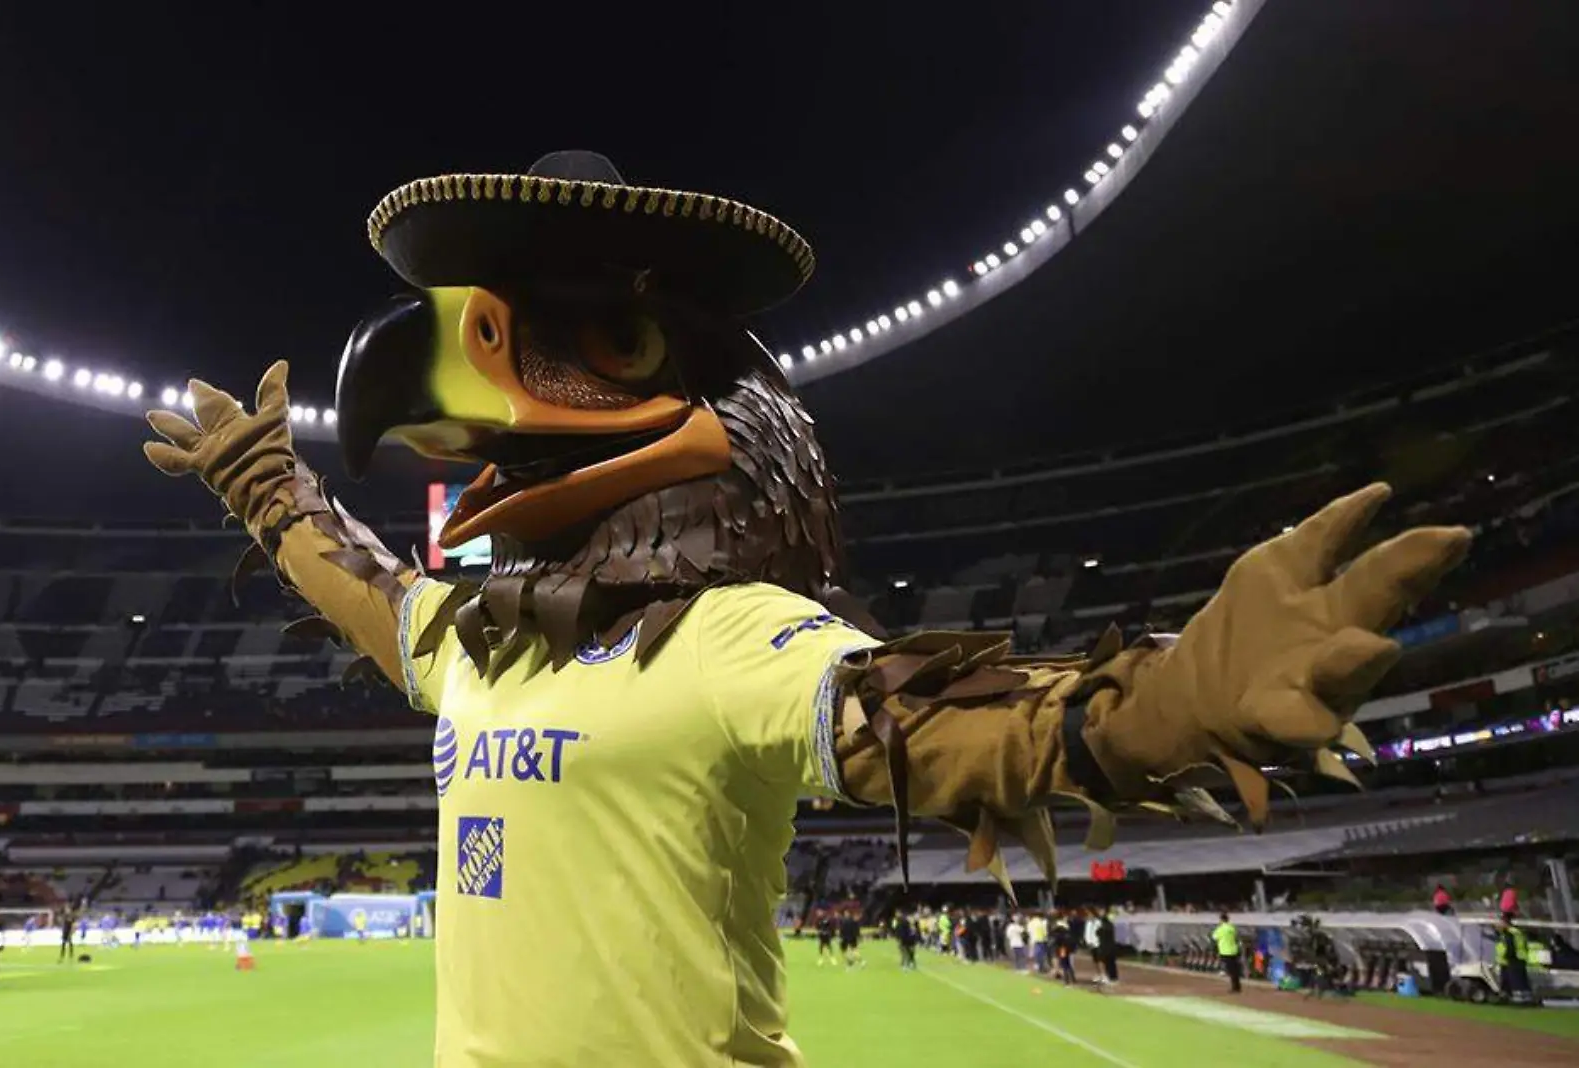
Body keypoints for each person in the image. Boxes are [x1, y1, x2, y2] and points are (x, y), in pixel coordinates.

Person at [141, 146, 1469, 1064]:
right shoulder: (476, 640)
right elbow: (371, 593)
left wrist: (1145, 712)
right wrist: (269, 488)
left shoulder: (734, 634)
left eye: (610, 346)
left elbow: (918, 722)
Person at [1495, 917, 1533, 1004]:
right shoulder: (1514, 932)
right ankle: (1518, 998)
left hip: (1513, 959)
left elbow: (1510, 947)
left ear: (1505, 923)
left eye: (1500, 923)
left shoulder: (1510, 933)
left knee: (1516, 980)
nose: (1498, 925)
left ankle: (1520, 1000)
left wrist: (1507, 956)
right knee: (1513, 980)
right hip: (1515, 958)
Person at [1213, 913, 1242, 994]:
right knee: (1234, 970)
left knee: (1231, 970)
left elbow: (1214, 937)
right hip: (1234, 950)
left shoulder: (1220, 929)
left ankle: (1234, 988)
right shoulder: (1232, 928)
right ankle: (1237, 986)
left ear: (1221, 920)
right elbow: (1236, 937)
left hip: (1225, 951)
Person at [1091, 908, 1118, 985]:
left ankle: (1113, 978)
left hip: (1108, 945)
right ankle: (1110, 977)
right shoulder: (1104, 925)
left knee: (1110, 962)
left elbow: (1098, 932)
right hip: (1105, 945)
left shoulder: (1107, 925)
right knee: (1107, 962)